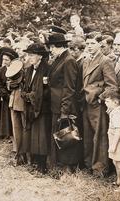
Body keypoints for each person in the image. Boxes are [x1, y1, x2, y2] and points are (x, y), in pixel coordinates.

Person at [82, 32, 118, 176]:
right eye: (88, 44)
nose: (90, 46)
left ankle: (101, 168)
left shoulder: (105, 61)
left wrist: (100, 96)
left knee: (100, 136)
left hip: (98, 105)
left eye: (93, 44)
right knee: (88, 135)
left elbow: (112, 86)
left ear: (99, 44)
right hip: (86, 102)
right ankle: (89, 164)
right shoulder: (86, 60)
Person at [46, 32, 81, 168]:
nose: (50, 50)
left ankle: (68, 167)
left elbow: (69, 88)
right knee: (60, 135)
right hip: (57, 104)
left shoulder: (68, 60)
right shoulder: (60, 58)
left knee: (67, 135)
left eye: (51, 47)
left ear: (57, 46)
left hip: (64, 105)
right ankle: (59, 165)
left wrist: (64, 111)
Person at [22, 43, 51, 173]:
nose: (29, 57)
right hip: (31, 107)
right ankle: (35, 162)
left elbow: (47, 90)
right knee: (34, 136)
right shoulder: (29, 69)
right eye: (28, 55)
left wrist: (32, 96)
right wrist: (26, 95)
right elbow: (25, 86)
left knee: (41, 137)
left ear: (40, 56)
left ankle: (42, 166)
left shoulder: (47, 69)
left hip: (42, 108)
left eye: (32, 55)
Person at [100, 89, 120, 191]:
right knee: (115, 162)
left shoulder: (117, 115)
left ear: (115, 102)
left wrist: (113, 146)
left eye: (107, 101)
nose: (105, 103)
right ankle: (118, 180)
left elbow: (118, 131)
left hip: (119, 142)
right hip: (117, 141)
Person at [6, 59, 28, 165]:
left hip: (19, 102)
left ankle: (24, 155)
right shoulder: (18, 75)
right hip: (15, 102)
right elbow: (9, 86)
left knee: (21, 129)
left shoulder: (25, 74)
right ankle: (20, 154)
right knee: (17, 130)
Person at [0, 47, 18, 139]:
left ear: (12, 61)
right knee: (7, 118)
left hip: (16, 97)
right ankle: (10, 136)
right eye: (3, 59)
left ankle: (16, 136)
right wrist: (6, 95)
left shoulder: (17, 70)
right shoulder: (0, 70)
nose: (4, 61)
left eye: (7, 60)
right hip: (6, 97)